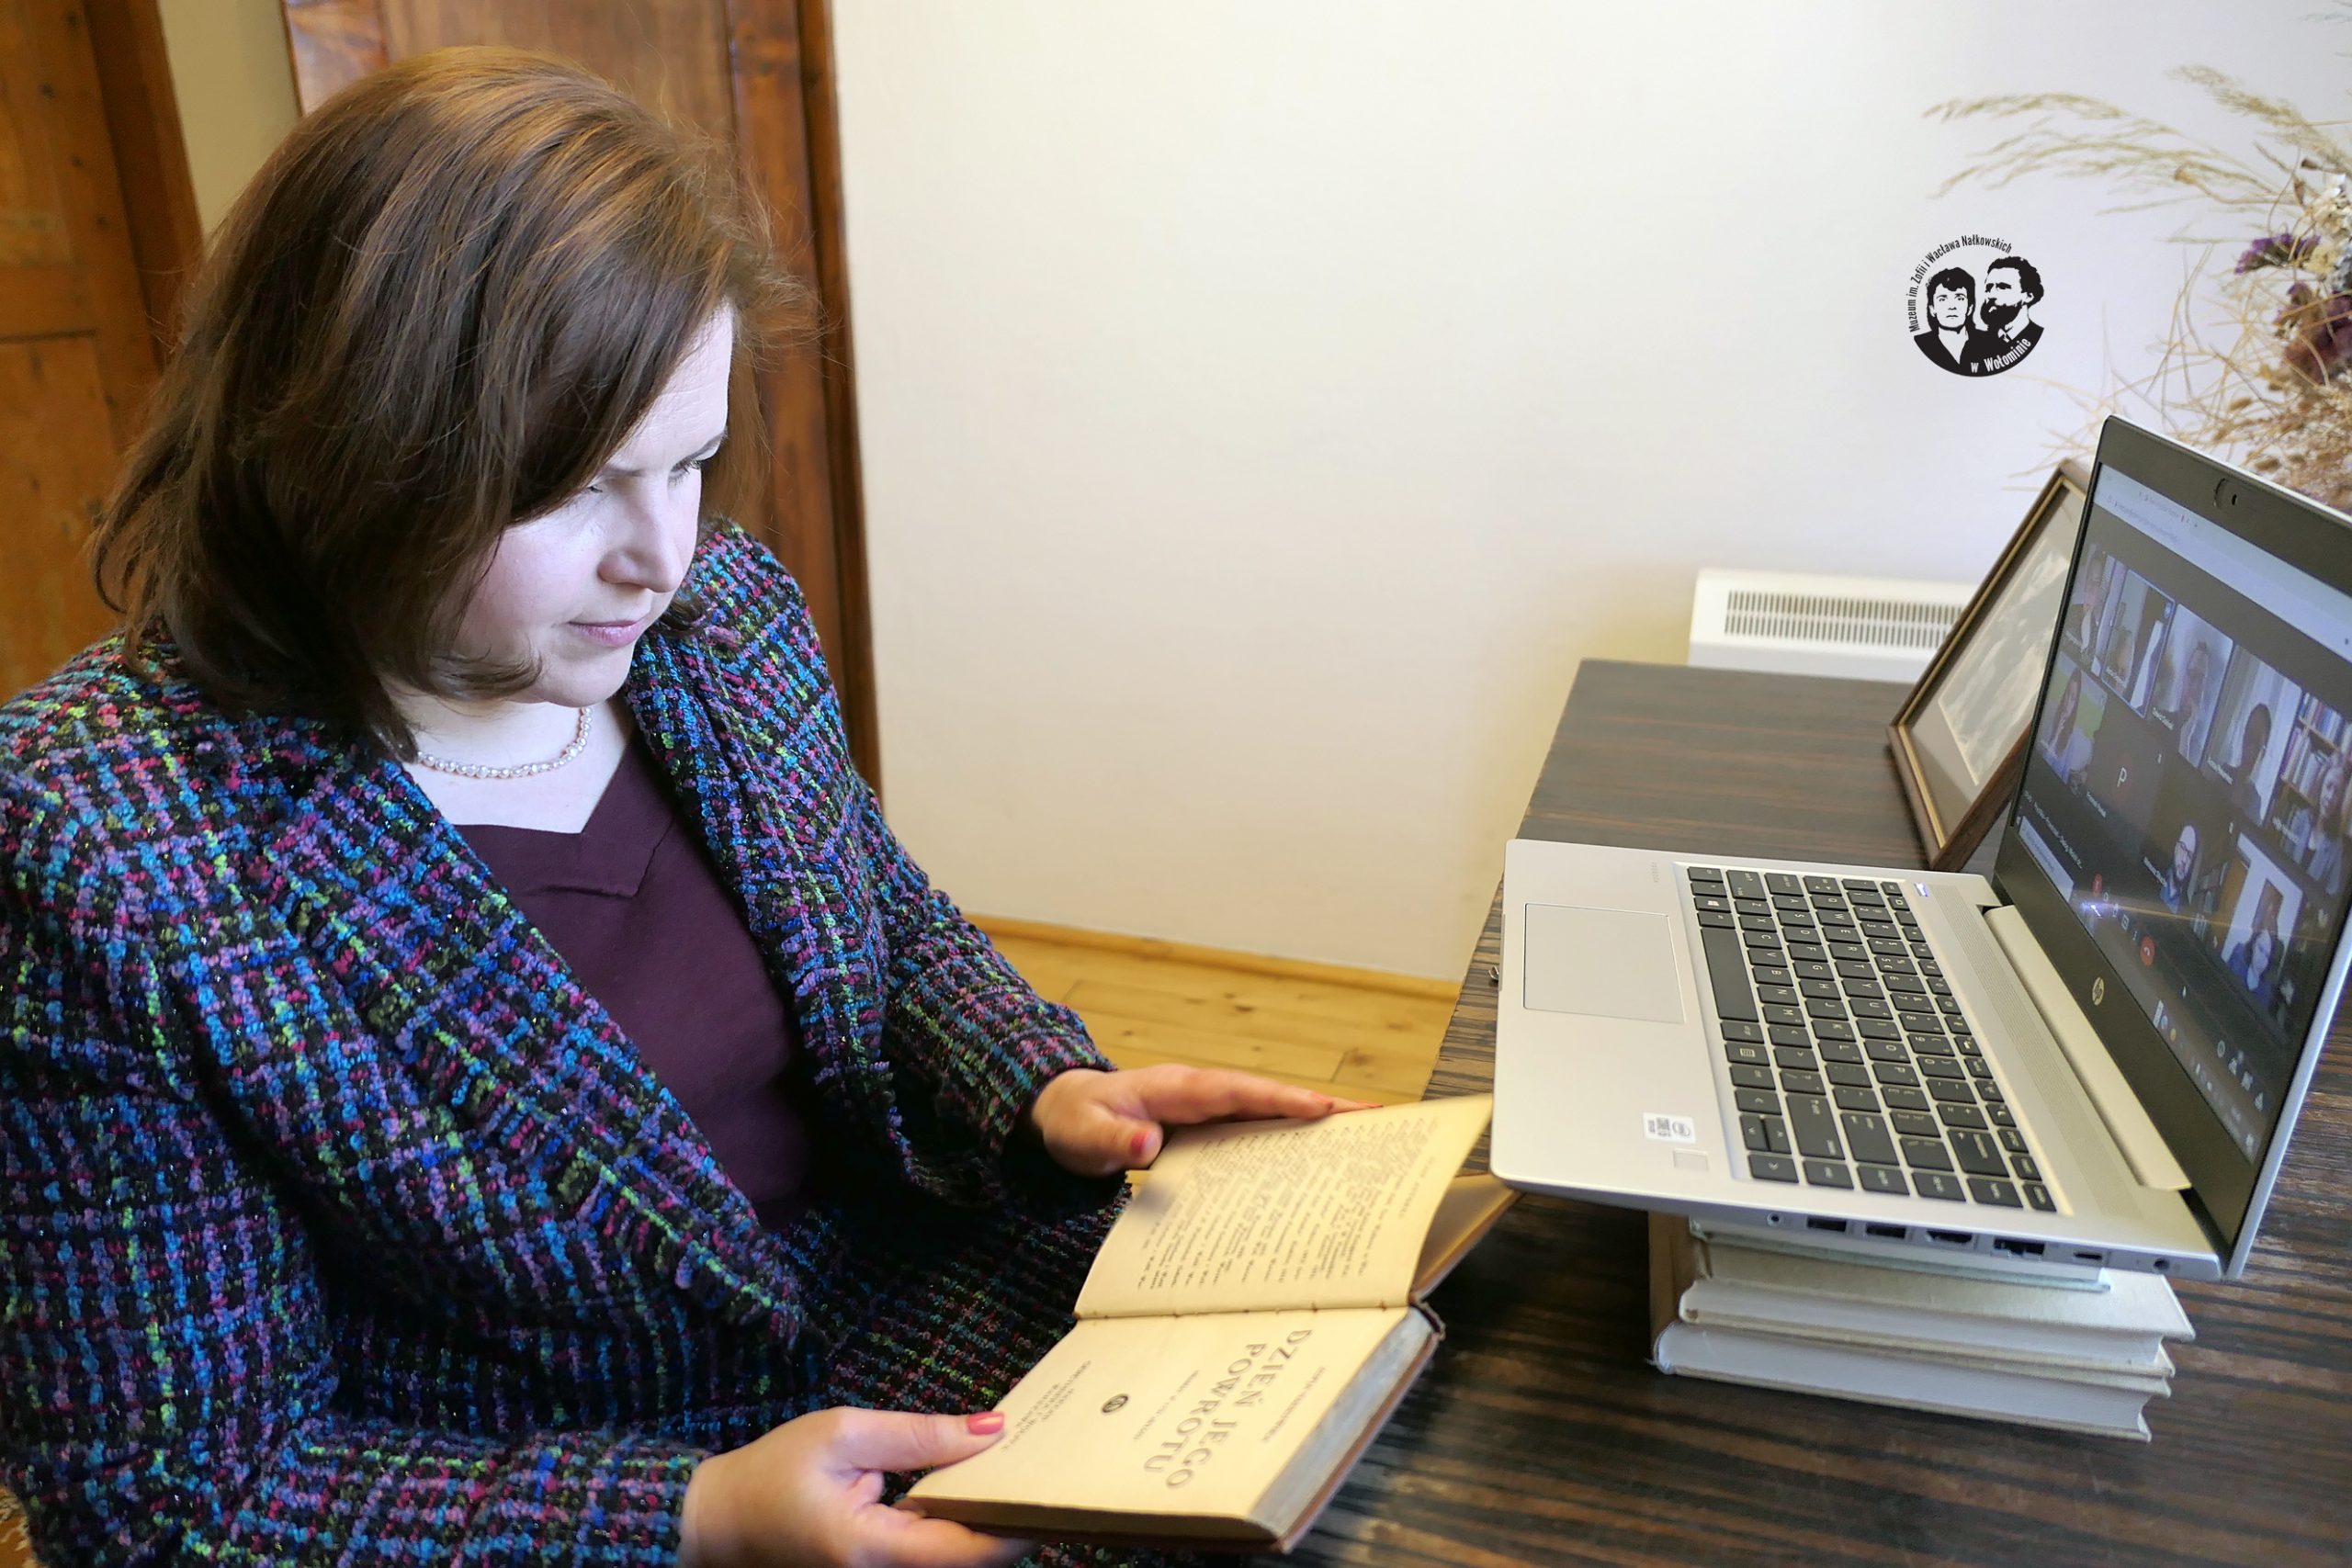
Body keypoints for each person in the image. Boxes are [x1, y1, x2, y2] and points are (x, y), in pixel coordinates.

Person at [0, 50, 1361, 1568]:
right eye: (580, 485)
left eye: (693, 462)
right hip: (567, 1485)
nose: (662, 554)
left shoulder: (719, 620)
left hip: (927, 1335)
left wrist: (1040, 1092)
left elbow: (882, 929)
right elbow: (175, 1498)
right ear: (346, 456)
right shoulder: (99, 849)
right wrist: (692, 1520)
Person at [1964, 255, 2046, 375]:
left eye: (2003, 287)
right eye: (1988, 288)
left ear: (2028, 296)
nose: (1991, 295)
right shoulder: (1974, 346)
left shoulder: (2040, 340)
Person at [2216, 702, 2275, 821]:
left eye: (2257, 743)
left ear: (2263, 753)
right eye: (2249, 736)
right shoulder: (2223, 772)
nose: (2250, 749)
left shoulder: (2255, 802)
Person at [1913, 266, 1976, 372]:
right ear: (1932, 309)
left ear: (1969, 308)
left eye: (1959, 298)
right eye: (1942, 299)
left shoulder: (1991, 343)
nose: (1951, 306)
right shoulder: (1920, 344)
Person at [2226, 897, 2285, 1011]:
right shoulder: (2238, 956)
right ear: (2254, 944)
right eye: (2260, 949)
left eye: (2267, 955)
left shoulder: (2265, 992)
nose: (2261, 958)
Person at [2158, 820, 2200, 913]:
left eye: (2189, 855)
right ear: (2175, 847)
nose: (2184, 860)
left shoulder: (2186, 907)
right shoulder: (2156, 871)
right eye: (2183, 848)